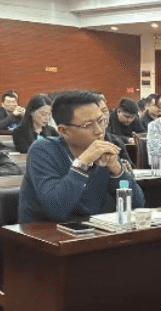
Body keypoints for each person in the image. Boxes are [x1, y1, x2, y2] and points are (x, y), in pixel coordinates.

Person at [19, 90, 144, 223]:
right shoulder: (43, 150)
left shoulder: (104, 151)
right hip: (45, 231)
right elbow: (56, 209)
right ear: (64, 131)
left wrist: (117, 170)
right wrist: (82, 163)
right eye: (88, 125)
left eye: (101, 121)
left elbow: (138, 203)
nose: (99, 130)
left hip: (91, 229)